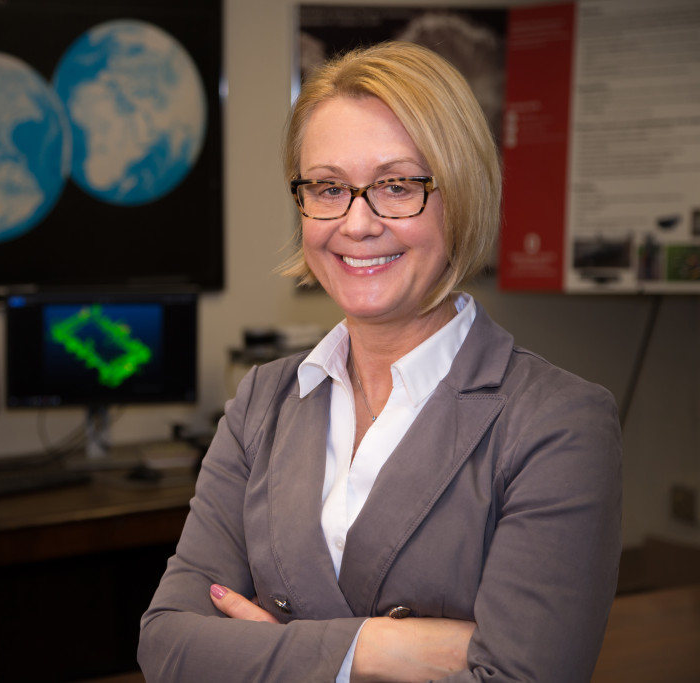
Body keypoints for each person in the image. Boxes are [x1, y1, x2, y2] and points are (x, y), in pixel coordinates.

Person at [138, 41, 622, 682]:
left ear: (462, 195)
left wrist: (267, 655)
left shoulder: (558, 424)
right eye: (328, 187)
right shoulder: (263, 403)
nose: (357, 223)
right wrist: (375, 650)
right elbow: (168, 647)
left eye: (398, 185)